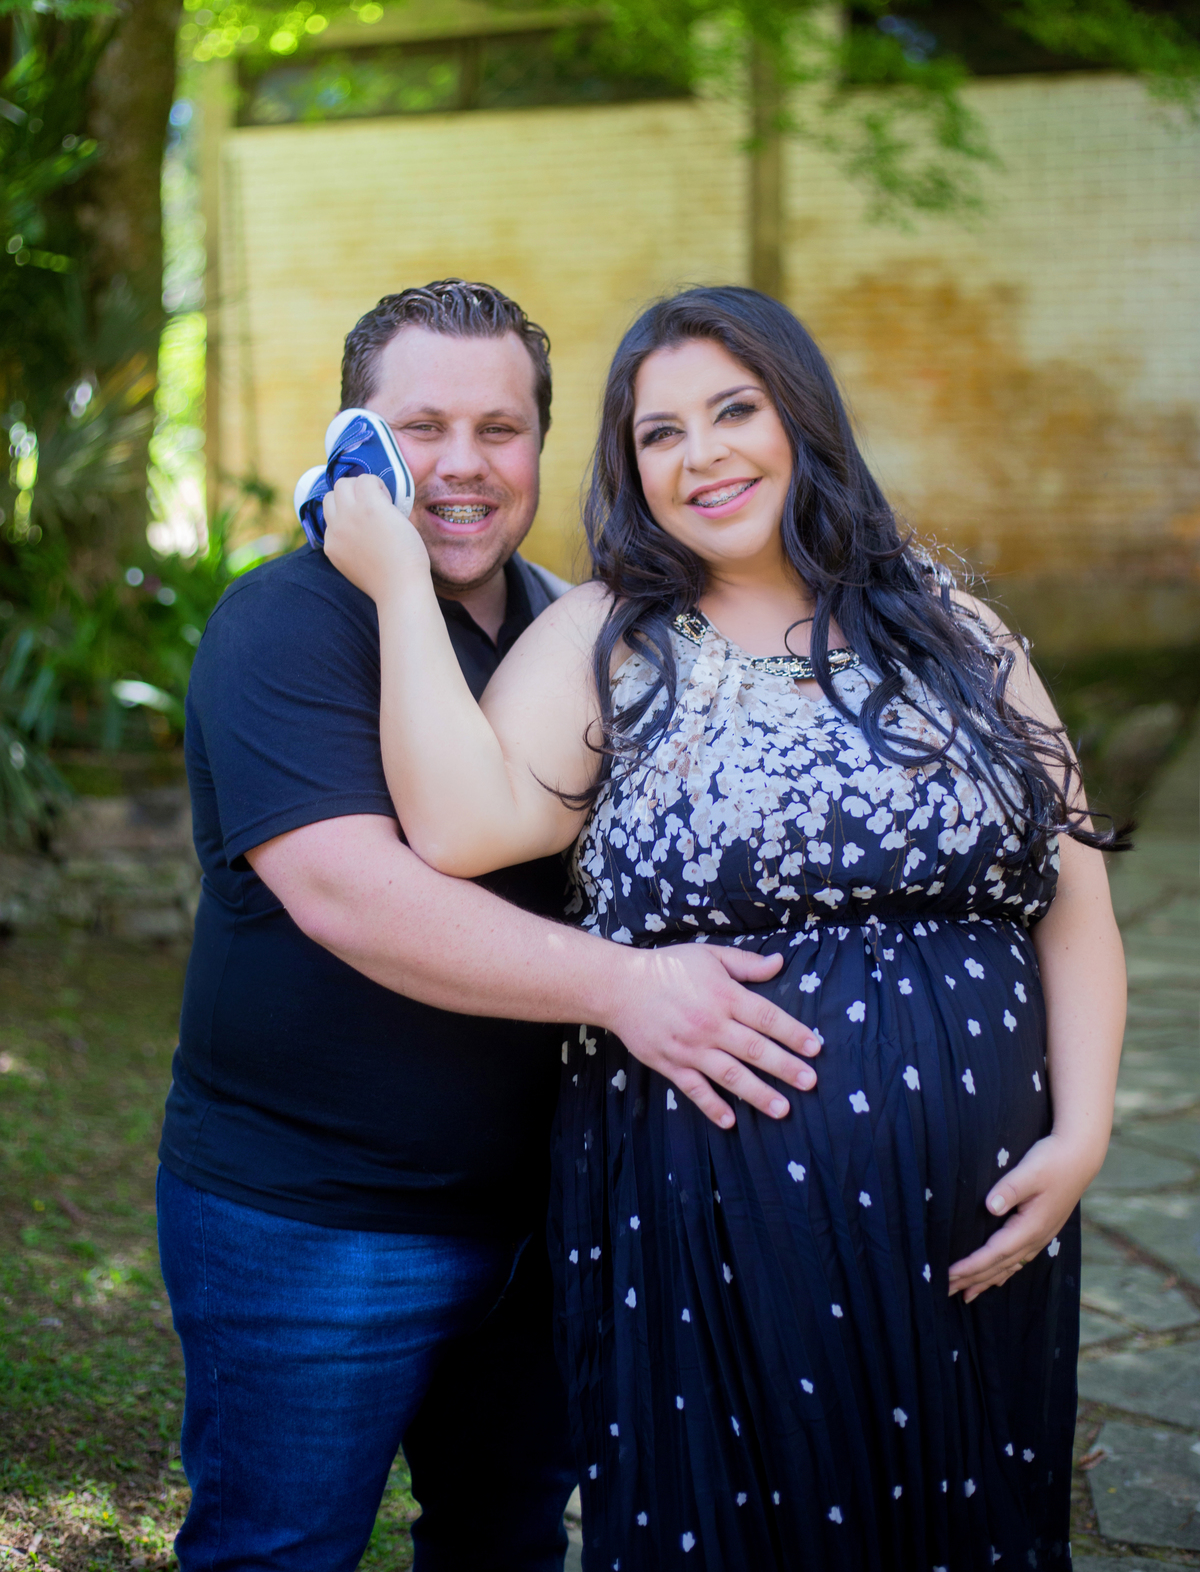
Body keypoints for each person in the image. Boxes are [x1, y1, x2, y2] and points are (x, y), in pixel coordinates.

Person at [322, 285, 1128, 1572]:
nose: (702, 455)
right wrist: (400, 584)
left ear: (802, 418)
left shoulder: (954, 625)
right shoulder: (610, 636)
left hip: (978, 1226)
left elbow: (1072, 891)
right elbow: (456, 828)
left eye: (734, 410)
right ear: (629, 469)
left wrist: (1082, 1135)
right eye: (659, 433)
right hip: (720, 1222)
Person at [157, 279, 823, 1572]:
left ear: (545, 446)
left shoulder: (577, 627)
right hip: (319, 1223)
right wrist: (629, 988)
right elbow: (354, 893)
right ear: (353, 449)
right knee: (278, 1550)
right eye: (419, 428)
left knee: (509, 1544)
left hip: (547, 1221)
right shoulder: (283, 625)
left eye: (500, 430)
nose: (463, 466)